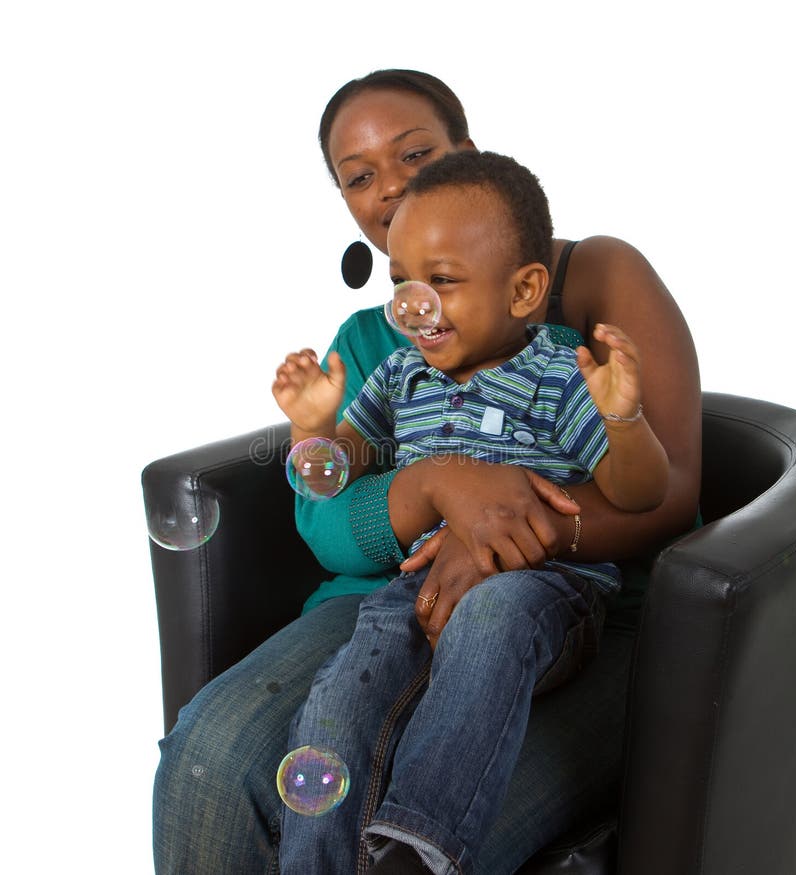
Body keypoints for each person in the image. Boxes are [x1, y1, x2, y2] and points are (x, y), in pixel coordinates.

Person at [152, 69, 701, 875]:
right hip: (390, 600)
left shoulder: (575, 324)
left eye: (416, 153)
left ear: (469, 153)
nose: (393, 185)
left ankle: (418, 840)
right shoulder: (379, 347)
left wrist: (504, 530)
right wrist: (427, 478)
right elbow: (329, 512)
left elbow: (662, 489)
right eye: (360, 175)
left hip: (552, 604)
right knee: (214, 756)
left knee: (411, 809)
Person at [270, 149, 669, 873]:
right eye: (402, 284)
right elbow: (331, 477)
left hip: (545, 589)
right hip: (415, 585)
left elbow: (641, 492)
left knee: (492, 618)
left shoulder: (558, 371)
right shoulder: (399, 374)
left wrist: (625, 421)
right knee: (338, 700)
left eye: (443, 283)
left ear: (523, 292)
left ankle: (422, 846)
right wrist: (315, 428)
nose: (414, 307)